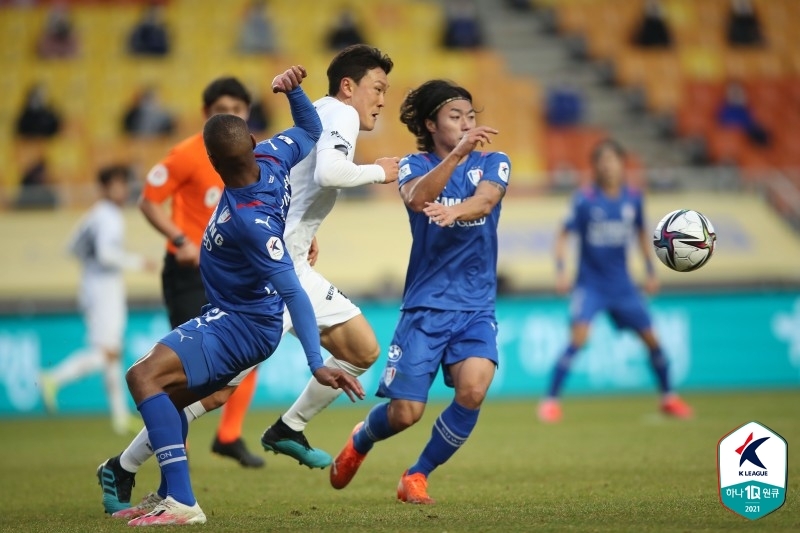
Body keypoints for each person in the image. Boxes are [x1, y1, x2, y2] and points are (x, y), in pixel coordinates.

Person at [95, 44, 397, 518]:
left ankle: (281, 432)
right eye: (378, 88)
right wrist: (379, 170)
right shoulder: (300, 140)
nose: (382, 99)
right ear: (348, 86)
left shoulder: (252, 204)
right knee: (206, 392)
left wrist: (303, 233)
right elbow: (323, 160)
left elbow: (312, 157)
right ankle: (127, 465)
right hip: (272, 275)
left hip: (275, 275)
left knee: (359, 350)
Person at [329, 79, 509, 504]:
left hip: (475, 307)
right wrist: (457, 155)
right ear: (431, 124)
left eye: (470, 116)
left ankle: (416, 475)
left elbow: (485, 202)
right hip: (425, 307)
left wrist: (455, 210)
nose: (467, 124)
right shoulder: (412, 165)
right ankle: (362, 437)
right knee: (406, 413)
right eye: (455, 117)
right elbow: (415, 198)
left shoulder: (495, 160)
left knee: (474, 390)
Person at [137, 76, 264, 467]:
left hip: (234, 272)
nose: (233, 115)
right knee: (186, 363)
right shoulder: (186, 154)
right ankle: (178, 453)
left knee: (249, 353)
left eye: (239, 109)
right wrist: (179, 240)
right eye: (224, 108)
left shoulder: (252, 157)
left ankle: (229, 436)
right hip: (190, 272)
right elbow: (149, 201)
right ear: (207, 113)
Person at [537, 139, 693, 424]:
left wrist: (650, 270)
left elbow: (642, 234)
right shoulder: (584, 199)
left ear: (623, 165)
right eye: (603, 161)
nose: (608, 166)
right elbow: (563, 235)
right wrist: (561, 270)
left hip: (623, 285)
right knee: (578, 338)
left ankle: (669, 397)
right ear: (595, 166)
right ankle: (550, 401)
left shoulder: (633, 198)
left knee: (652, 340)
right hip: (590, 285)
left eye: (614, 160)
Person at [40, 165, 154, 434]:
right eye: (117, 184)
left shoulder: (92, 215)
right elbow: (105, 254)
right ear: (105, 188)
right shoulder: (110, 216)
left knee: (112, 353)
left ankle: (119, 417)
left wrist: (90, 265)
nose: (122, 190)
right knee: (107, 354)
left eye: (124, 184)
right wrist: (138, 262)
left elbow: (71, 247)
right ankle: (53, 378)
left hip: (91, 285)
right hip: (104, 288)